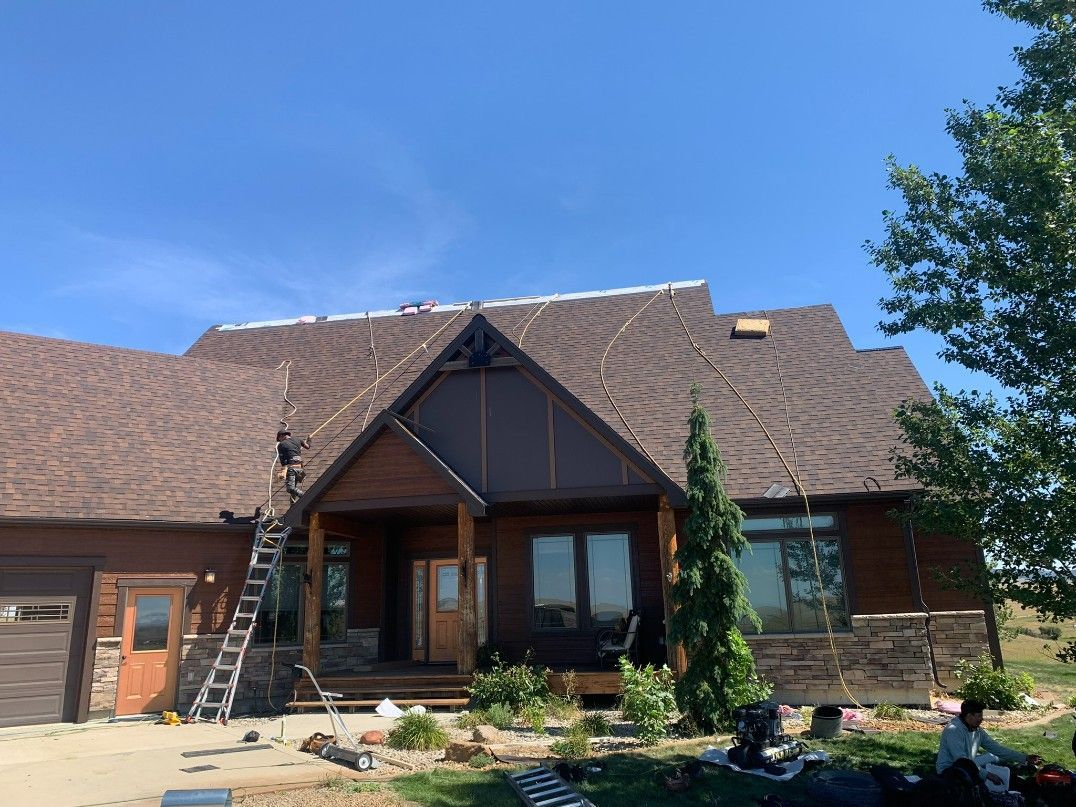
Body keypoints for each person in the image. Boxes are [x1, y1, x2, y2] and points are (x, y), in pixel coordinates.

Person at [937, 699, 1042, 795]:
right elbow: (962, 761)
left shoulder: (977, 730)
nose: (981, 719)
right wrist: (988, 775)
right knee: (980, 790)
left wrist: (1025, 757)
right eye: (979, 716)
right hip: (951, 770)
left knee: (995, 758)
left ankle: (1021, 785)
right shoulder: (954, 730)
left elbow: (996, 748)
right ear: (969, 715)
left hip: (969, 764)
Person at [276, 429, 311, 503]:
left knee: (290, 488)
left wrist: (282, 473)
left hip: (291, 468)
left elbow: (282, 460)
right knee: (293, 489)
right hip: (300, 469)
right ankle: (292, 506)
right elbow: (308, 447)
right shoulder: (298, 439)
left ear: (282, 436)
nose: (280, 441)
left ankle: (305, 496)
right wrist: (309, 439)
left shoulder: (281, 445)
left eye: (279, 439)